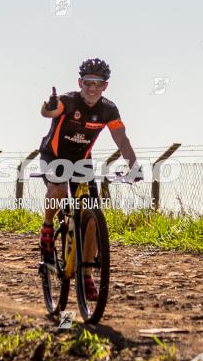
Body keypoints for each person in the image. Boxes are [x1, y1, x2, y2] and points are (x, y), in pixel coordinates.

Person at [37, 57, 140, 300]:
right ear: (80, 82)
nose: (92, 88)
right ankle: (47, 228)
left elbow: (122, 140)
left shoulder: (108, 110)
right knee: (59, 189)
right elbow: (49, 111)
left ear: (105, 86)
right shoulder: (68, 101)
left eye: (98, 83)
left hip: (82, 161)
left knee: (92, 216)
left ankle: (86, 274)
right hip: (54, 156)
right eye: (87, 83)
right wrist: (48, 105)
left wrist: (134, 166)